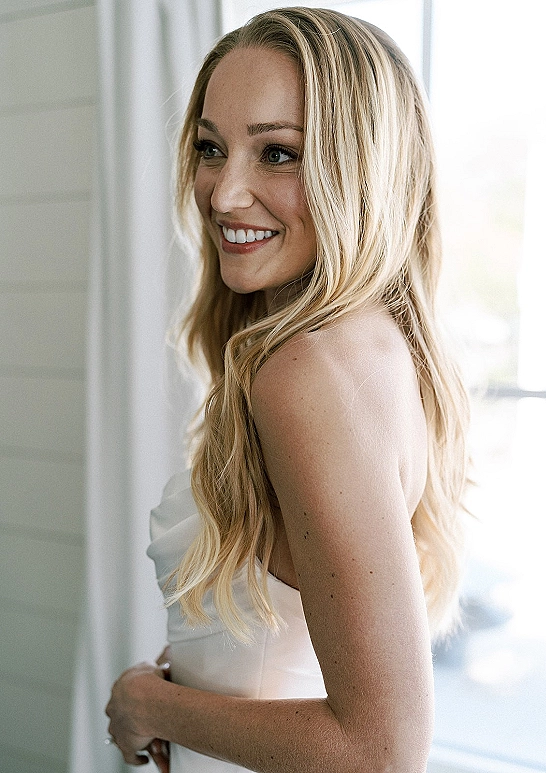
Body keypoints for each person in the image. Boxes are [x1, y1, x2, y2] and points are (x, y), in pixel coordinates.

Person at [106, 7, 470, 772]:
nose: (224, 193)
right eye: (211, 148)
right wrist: (209, 686)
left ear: (360, 167)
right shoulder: (375, 344)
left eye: (277, 153)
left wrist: (150, 704)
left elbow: (382, 747)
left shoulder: (304, 372)